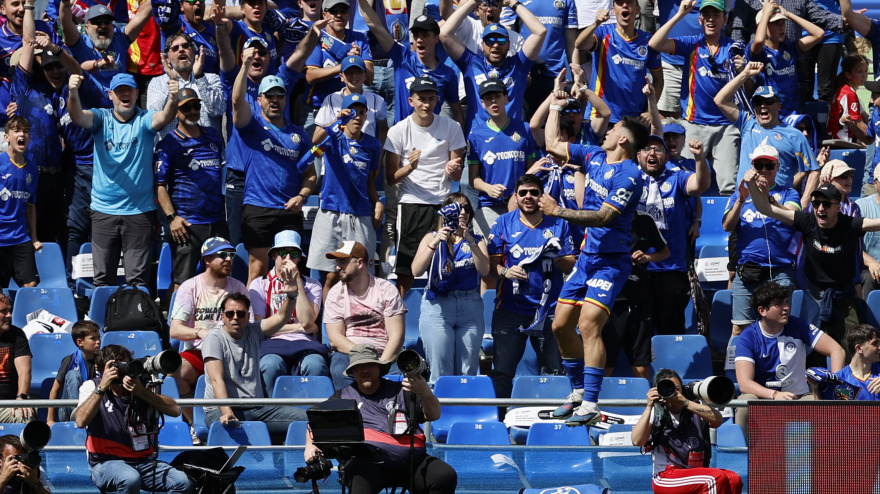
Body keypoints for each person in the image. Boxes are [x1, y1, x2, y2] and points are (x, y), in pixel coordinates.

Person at [539, 90, 649, 426]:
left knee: (588, 325)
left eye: (614, 129)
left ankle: (590, 401)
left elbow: (603, 217)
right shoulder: (594, 156)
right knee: (559, 325)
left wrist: (558, 211)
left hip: (612, 261)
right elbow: (552, 145)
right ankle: (575, 393)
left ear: (624, 141)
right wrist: (556, 104)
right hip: (587, 257)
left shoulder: (629, 174)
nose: (607, 130)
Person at [747, 175, 880, 359]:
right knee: (808, 352)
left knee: (853, 350)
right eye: (816, 203)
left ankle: (848, 387)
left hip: (843, 296)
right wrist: (751, 185)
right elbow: (766, 209)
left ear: (837, 207)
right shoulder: (807, 221)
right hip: (814, 295)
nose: (820, 208)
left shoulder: (850, 224)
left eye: (826, 204)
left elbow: (876, 223)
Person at [67, 71, 178, 287]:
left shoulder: (144, 119)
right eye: (119, 91)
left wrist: (173, 98)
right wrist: (73, 92)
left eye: (129, 90)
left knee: (137, 280)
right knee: (102, 280)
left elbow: (165, 117)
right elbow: (78, 116)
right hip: (103, 212)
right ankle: (104, 320)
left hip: (139, 212)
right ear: (110, 95)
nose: (124, 95)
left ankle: (136, 320)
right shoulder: (101, 118)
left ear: (137, 93)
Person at [304, 344, 457, 494]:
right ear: (352, 372)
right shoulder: (342, 396)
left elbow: (434, 415)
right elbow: (315, 423)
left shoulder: (403, 390)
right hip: (368, 464)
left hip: (412, 462)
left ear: (379, 368)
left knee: (444, 475)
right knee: (360, 484)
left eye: (370, 365)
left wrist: (426, 394)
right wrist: (310, 445)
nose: (364, 370)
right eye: (359, 367)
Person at [232, 47, 316, 287]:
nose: (274, 100)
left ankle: (291, 318)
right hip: (258, 207)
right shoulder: (252, 125)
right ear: (259, 100)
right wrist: (244, 66)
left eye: (279, 95)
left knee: (290, 269)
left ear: (284, 98)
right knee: (257, 270)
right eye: (269, 95)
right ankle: (256, 323)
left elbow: (310, 174)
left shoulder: (299, 135)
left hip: (289, 210)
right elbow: (237, 102)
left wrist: (302, 196)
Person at [487, 174, 576, 399]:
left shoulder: (559, 224)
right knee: (502, 372)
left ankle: (551, 425)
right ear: (515, 196)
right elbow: (491, 267)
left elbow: (571, 265)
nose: (529, 197)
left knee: (554, 372)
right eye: (523, 192)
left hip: (550, 311)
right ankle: (500, 422)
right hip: (510, 310)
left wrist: (556, 258)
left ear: (542, 196)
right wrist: (506, 272)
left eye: (534, 192)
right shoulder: (502, 223)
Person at [384, 76, 466, 296]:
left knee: (446, 261)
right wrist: (410, 167)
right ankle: (399, 315)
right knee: (406, 267)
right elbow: (391, 178)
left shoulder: (452, 127)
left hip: (443, 204)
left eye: (431, 99)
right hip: (411, 203)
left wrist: (453, 170)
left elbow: (458, 170)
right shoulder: (398, 131)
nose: (426, 104)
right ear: (411, 101)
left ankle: (443, 314)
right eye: (421, 99)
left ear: (438, 100)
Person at [649, 0, 740, 195]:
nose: (710, 19)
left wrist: (742, 71)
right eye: (706, 15)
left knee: (729, 188)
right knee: (684, 182)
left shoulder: (735, 48)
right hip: (693, 124)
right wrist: (680, 14)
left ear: (725, 19)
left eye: (716, 15)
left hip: (725, 127)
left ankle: (728, 226)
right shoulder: (692, 44)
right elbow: (654, 43)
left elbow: (747, 88)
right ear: (700, 19)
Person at [75, 345, 193, 494]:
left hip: (144, 462)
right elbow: (80, 421)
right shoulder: (91, 386)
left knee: (182, 483)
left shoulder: (140, 386)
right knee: (130, 479)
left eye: (126, 365)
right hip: (105, 462)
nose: (122, 371)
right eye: (116, 366)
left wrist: (141, 392)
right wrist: (102, 387)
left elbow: (175, 410)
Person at [203, 277, 309, 442]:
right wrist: (226, 412)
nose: (235, 317)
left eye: (241, 313)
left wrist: (292, 297)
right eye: (230, 314)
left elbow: (281, 316)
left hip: (257, 408)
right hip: (219, 410)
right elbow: (216, 380)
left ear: (248, 316)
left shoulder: (254, 331)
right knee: (229, 427)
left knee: (308, 420)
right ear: (222, 317)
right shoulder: (214, 338)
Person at [733, 282, 845, 432]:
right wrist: (774, 394)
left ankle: (823, 454)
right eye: (778, 304)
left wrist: (833, 383)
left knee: (826, 405)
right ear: (762, 310)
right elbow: (745, 383)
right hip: (764, 398)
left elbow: (837, 350)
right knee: (745, 402)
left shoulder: (798, 325)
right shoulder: (748, 337)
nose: (786, 307)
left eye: (786, 302)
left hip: (800, 397)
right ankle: (744, 454)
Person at [168, 237, 248, 441]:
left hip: (232, 350)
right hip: (198, 350)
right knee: (176, 372)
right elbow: (175, 330)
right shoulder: (190, 287)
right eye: (222, 255)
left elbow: (250, 326)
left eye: (231, 255)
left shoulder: (238, 288)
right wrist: (200, 333)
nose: (228, 259)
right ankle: (193, 422)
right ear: (207, 259)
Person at [307, 93, 383, 296]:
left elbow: (369, 180)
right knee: (331, 276)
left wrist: (377, 202)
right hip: (331, 210)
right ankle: (327, 326)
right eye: (353, 112)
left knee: (362, 273)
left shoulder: (373, 145)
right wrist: (336, 120)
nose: (357, 117)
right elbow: (314, 141)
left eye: (362, 113)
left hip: (360, 212)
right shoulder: (333, 137)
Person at [722, 144, 801, 340]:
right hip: (748, 270)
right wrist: (741, 200)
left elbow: (792, 217)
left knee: (781, 327)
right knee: (740, 329)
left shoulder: (788, 193)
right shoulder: (739, 193)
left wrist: (769, 199)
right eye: (759, 165)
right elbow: (727, 226)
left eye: (769, 165)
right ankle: (736, 370)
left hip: (780, 269)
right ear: (752, 167)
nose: (764, 169)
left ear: (777, 166)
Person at [155, 88, 228, 294]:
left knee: (221, 279)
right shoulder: (168, 144)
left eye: (196, 106)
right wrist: (172, 218)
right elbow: (160, 186)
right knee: (182, 282)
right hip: (187, 224)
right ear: (176, 112)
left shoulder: (213, 136)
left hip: (216, 221)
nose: (192, 111)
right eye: (186, 108)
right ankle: (172, 325)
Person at [411, 193, 490, 384]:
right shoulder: (431, 237)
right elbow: (416, 270)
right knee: (440, 370)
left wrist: (470, 241)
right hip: (438, 306)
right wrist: (435, 242)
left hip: (469, 304)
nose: (462, 213)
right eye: (457, 208)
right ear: (445, 211)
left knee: (467, 372)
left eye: (466, 209)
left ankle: (465, 412)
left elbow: (485, 270)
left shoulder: (477, 239)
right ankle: (440, 413)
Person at [717, 64, 819, 207]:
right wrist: (745, 74)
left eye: (769, 101)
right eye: (758, 102)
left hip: (777, 203)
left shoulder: (794, 135)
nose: (763, 106)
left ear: (779, 106)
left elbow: (813, 171)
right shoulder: (747, 124)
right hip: (745, 202)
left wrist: (802, 204)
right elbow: (720, 100)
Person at [638, 135, 710, 336]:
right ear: (638, 155)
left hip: (671, 267)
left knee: (670, 329)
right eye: (647, 149)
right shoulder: (629, 180)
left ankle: (670, 367)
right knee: (640, 330)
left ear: (667, 157)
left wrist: (699, 159)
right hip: (637, 267)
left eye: (659, 150)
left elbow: (700, 185)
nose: (653, 153)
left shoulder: (676, 177)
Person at [439, 0, 546, 134]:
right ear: (482, 46)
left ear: (508, 45)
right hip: (478, 145)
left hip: (512, 140)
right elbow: (444, 33)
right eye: (490, 41)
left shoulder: (518, 66)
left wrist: (513, 3)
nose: (495, 45)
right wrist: (474, 2)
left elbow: (540, 31)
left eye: (501, 40)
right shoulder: (471, 64)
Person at [631, 368, 743, 494]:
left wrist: (684, 402)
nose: (673, 392)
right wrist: (649, 406)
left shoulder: (693, 406)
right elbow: (637, 440)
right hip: (666, 475)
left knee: (734, 479)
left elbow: (717, 420)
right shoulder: (656, 411)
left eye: (676, 388)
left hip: (694, 471)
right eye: (667, 388)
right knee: (714, 478)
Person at [355, 1, 462, 125]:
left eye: (425, 35)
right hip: (403, 139)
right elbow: (374, 25)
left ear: (436, 38)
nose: (419, 40)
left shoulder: (447, 74)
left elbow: (457, 110)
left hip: (432, 138)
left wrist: (461, 142)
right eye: (416, 35)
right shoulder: (402, 58)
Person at [250, 231, 329, 396]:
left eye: (294, 254)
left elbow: (307, 322)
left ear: (300, 258)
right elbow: (260, 328)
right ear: (273, 255)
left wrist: (296, 280)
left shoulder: (312, 285)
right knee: (270, 365)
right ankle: (273, 415)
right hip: (272, 344)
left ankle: (314, 416)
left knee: (315, 365)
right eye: (283, 253)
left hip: (305, 344)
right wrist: (299, 328)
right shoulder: (259, 284)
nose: (288, 258)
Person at [324, 241, 406, 390]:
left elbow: (396, 336)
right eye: (337, 262)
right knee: (339, 370)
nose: (337, 267)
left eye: (343, 262)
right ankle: (352, 411)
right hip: (349, 353)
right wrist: (363, 357)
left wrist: (381, 363)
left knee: (401, 375)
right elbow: (335, 339)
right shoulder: (335, 294)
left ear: (360, 263)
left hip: (384, 353)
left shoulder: (386, 289)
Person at [468, 78, 537, 236]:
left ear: (506, 98)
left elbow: (530, 170)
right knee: (490, 257)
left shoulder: (524, 129)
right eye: (488, 98)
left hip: (521, 204)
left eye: (497, 96)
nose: (493, 101)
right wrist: (489, 188)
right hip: (488, 206)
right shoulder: (476, 135)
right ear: (482, 103)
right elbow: (473, 179)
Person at [575, 0, 663, 124]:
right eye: (620, 3)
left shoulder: (647, 40)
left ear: (638, 10)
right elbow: (580, 44)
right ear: (613, 10)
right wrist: (596, 23)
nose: (625, 5)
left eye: (629, 2)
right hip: (601, 117)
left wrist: (650, 110)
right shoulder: (603, 33)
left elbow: (659, 79)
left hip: (634, 119)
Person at [302, 0, 373, 136]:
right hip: (318, 109)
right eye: (334, 11)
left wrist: (358, 62)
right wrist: (345, 64)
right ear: (324, 15)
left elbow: (369, 79)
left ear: (349, 14)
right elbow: (310, 76)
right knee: (314, 155)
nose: (339, 15)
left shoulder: (359, 38)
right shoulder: (316, 37)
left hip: (352, 111)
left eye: (343, 10)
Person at [748, 0, 824, 117]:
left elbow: (818, 33)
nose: (782, 27)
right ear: (763, 26)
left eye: (783, 23)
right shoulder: (758, 51)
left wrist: (788, 14)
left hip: (792, 113)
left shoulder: (790, 48)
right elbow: (758, 40)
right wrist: (766, 14)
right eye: (776, 23)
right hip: (769, 115)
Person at [59, 1, 155, 91]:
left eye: (107, 21)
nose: (103, 25)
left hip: (119, 103)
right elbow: (66, 24)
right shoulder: (80, 43)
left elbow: (141, 16)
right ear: (86, 28)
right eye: (97, 22)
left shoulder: (120, 39)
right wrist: (65, 2)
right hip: (90, 105)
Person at [147, 33, 226, 139]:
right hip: (172, 150)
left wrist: (199, 77)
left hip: (206, 150)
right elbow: (154, 122)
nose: (181, 50)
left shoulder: (212, 79)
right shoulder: (157, 83)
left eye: (185, 46)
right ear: (167, 59)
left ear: (193, 52)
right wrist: (173, 81)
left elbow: (217, 111)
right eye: (175, 48)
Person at [0, 116, 39, 289]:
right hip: (1, 237)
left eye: (26, 131)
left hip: (20, 237)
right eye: (16, 131)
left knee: (30, 285)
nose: (21, 134)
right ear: (6, 137)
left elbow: (31, 206)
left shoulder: (32, 169)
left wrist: (34, 238)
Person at [46, 320, 101, 425]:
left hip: (93, 407)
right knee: (73, 374)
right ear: (80, 342)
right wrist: (50, 420)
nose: (98, 341)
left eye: (99, 337)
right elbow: (54, 390)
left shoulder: (102, 359)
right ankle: (77, 413)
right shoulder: (70, 360)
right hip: (69, 412)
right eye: (93, 338)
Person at [0, 294, 33, 423]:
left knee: (25, 415)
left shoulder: (17, 335)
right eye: (3, 311)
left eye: (10, 310)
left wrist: (21, 397)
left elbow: (24, 371)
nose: (9, 315)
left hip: (9, 403)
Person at [826, 54, 870, 144]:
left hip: (846, 136)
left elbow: (865, 116)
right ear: (848, 75)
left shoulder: (848, 90)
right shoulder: (848, 93)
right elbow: (859, 124)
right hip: (842, 137)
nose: (864, 75)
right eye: (859, 72)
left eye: (866, 71)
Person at [834, 324, 880, 400]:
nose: (879, 347)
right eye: (875, 343)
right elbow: (826, 410)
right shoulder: (839, 379)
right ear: (859, 348)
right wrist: (815, 389)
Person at [858, 167, 880, 298]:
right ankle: (866, 318)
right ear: (875, 183)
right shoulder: (861, 206)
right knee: (869, 278)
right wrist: (871, 262)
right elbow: (851, 245)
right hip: (868, 269)